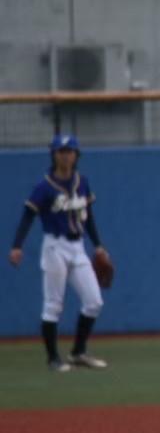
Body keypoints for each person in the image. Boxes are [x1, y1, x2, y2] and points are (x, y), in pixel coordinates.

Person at [9, 134, 111, 372]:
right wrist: (17, 246)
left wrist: (98, 245)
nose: (66, 155)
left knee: (94, 301)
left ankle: (78, 352)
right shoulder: (44, 187)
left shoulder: (82, 182)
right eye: (61, 151)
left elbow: (89, 218)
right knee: (53, 305)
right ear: (53, 155)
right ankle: (53, 358)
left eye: (70, 151)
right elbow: (28, 216)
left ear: (76, 155)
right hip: (55, 247)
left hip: (78, 248)